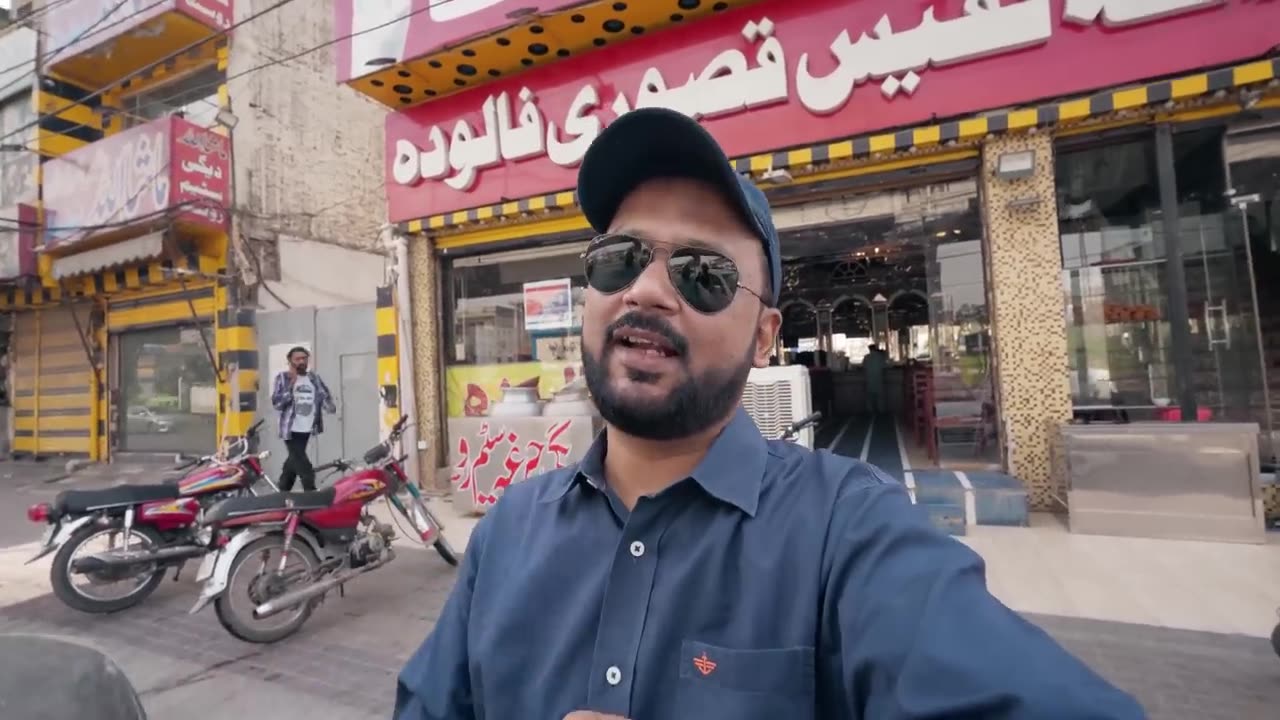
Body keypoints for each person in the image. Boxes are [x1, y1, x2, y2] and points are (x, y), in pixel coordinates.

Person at [394, 108, 1144, 720]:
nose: (647, 292)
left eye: (703, 274)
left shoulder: (848, 532)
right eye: (620, 257)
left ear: (764, 337)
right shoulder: (507, 537)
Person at [270, 346, 335, 492]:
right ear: (290, 361)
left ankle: (282, 493)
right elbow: (277, 403)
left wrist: (330, 407)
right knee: (304, 467)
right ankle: (311, 493)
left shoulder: (313, 378)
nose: (301, 362)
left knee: (292, 463)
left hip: (307, 428)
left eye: (304, 358)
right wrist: (291, 385)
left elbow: (324, 396)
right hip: (290, 429)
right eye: (297, 359)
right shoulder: (282, 378)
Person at [863, 342, 888, 414]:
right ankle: (881, 411)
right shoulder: (880, 357)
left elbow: (863, 367)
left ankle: (870, 412)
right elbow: (885, 366)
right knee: (880, 397)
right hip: (878, 378)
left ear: (869, 349)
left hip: (869, 378)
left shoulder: (866, 357)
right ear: (875, 349)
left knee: (869, 397)